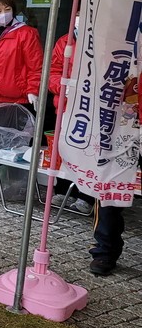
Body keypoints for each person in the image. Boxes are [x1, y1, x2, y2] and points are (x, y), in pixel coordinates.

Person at [46, 20, 94, 215]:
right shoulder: (64, 42)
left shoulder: (101, 41)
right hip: (66, 104)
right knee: (64, 148)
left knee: (88, 150)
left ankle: (86, 195)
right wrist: (63, 86)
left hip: (91, 107)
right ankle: (63, 189)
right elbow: (53, 72)